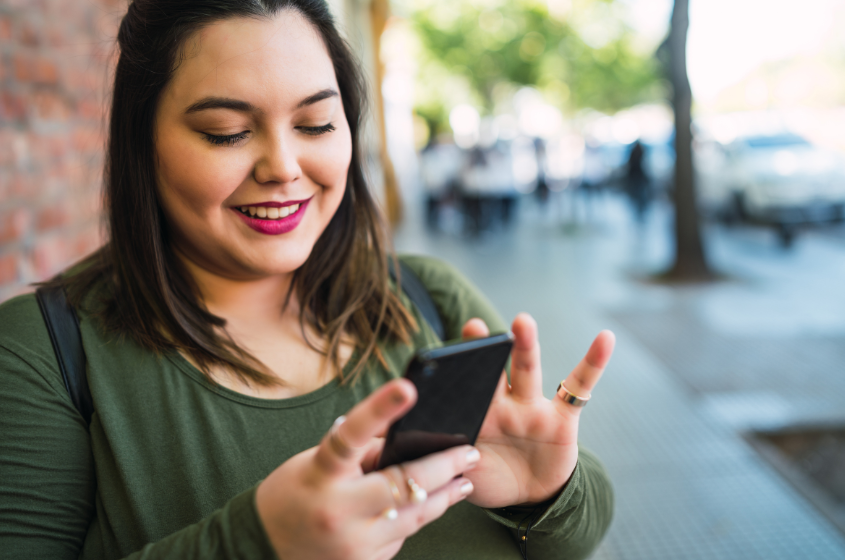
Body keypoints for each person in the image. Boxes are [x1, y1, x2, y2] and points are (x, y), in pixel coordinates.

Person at [0, 1, 616, 558]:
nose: (284, 168)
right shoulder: (42, 353)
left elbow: (577, 533)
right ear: (143, 144)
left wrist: (543, 494)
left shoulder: (428, 299)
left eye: (316, 123)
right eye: (227, 133)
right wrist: (258, 543)